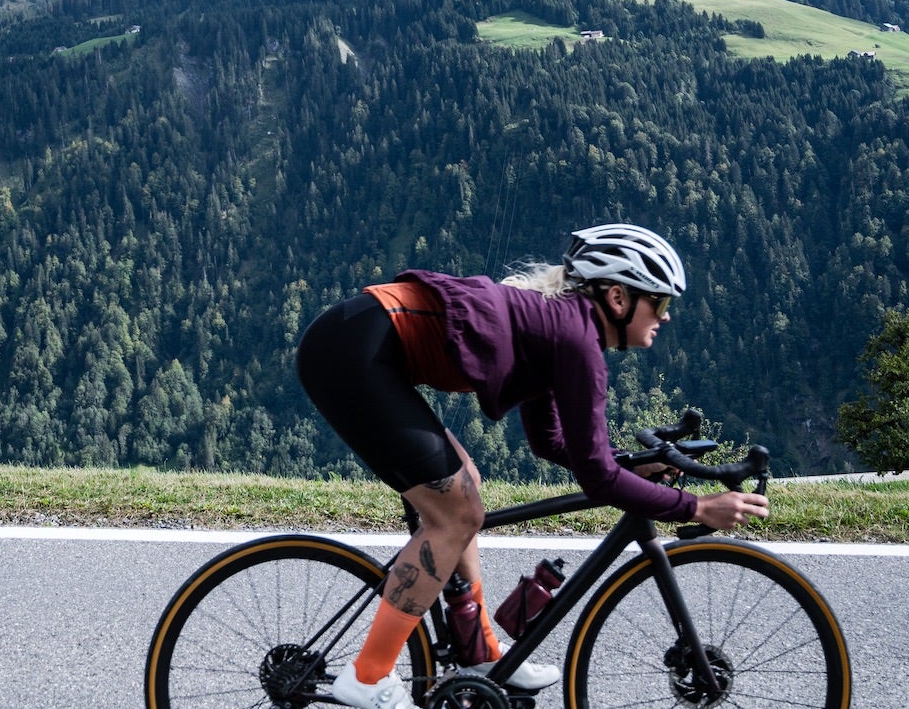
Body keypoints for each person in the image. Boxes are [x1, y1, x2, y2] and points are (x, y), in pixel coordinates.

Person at [295, 223, 770, 709]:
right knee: (455, 514)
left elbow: (551, 442)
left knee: (466, 491)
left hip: (359, 344)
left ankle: (476, 649)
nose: (666, 317)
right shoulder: (575, 339)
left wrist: (632, 467)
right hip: (352, 351)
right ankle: (368, 676)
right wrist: (697, 508)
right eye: (661, 302)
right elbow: (597, 477)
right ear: (618, 298)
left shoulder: (561, 328)